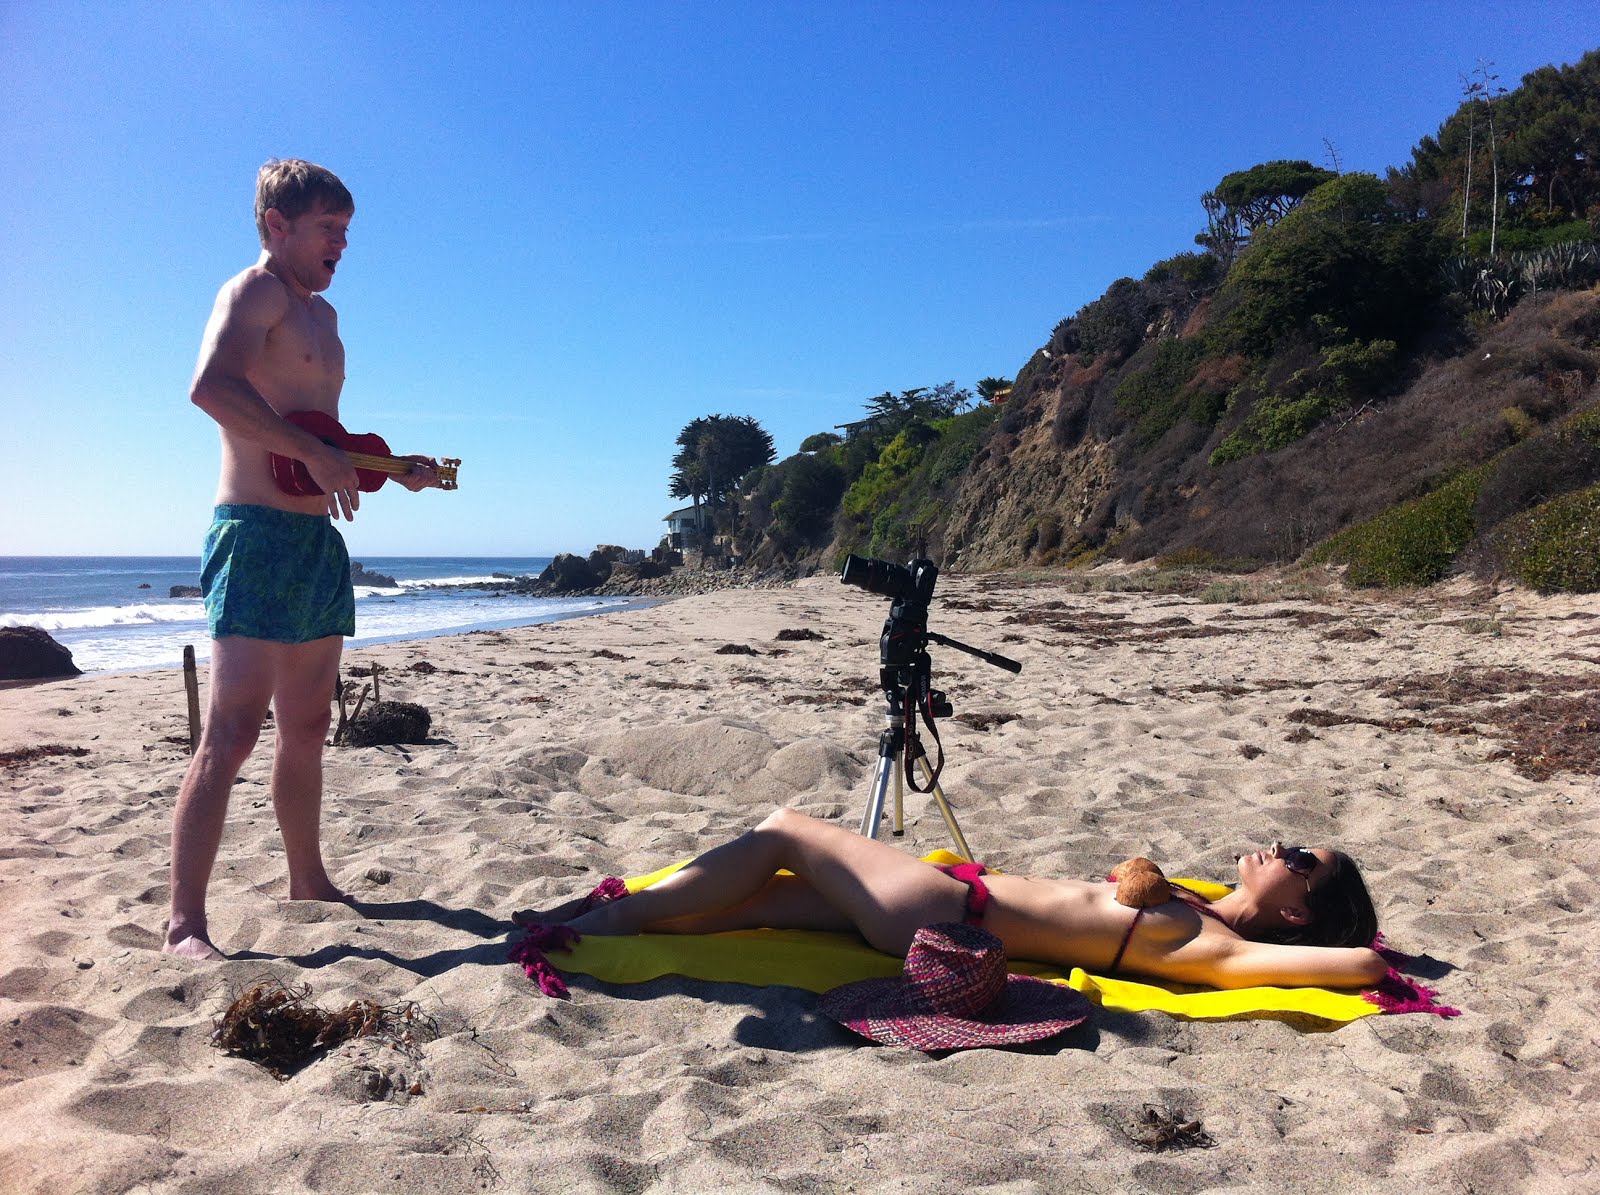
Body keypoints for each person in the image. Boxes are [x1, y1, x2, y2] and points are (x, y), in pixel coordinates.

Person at [164, 159, 444, 959]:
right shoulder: (253, 294)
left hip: (316, 540)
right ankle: (185, 921)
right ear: (277, 226)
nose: (342, 245)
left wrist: (392, 471)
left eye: (347, 232)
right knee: (232, 730)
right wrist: (308, 452)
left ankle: (307, 878)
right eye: (330, 230)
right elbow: (212, 388)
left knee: (310, 726)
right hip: (252, 532)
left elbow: (323, 444)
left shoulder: (326, 320)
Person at [514, 808, 1390, 990]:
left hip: (941, 909)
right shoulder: (1196, 906)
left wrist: (1384, 962)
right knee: (764, 900)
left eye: (1303, 856)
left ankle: (610, 916)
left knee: (785, 831)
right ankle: (585, 934)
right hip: (941, 908)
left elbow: (1355, 960)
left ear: (1299, 911)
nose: (1283, 845)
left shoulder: (1211, 945)